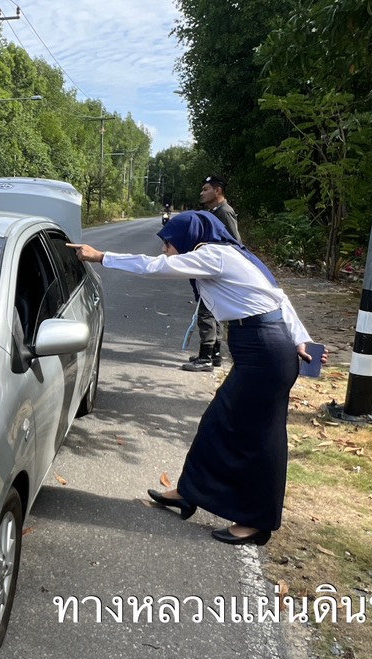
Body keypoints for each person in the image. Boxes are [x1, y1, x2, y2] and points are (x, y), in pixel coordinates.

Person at [69, 211, 312, 546]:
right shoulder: (228, 254)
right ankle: (188, 492)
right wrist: (300, 338)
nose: (166, 250)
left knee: (260, 438)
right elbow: (279, 297)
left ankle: (256, 522)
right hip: (260, 348)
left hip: (264, 352)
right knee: (217, 424)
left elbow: (155, 267)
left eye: (169, 243)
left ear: (187, 239)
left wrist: (101, 256)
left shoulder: (214, 255)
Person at [183, 174, 241, 371]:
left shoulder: (224, 212)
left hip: (217, 270)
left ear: (218, 191)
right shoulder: (216, 211)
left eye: (206, 189)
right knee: (212, 311)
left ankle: (205, 357)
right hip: (213, 268)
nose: (202, 193)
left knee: (206, 312)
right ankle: (215, 355)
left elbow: (234, 243)